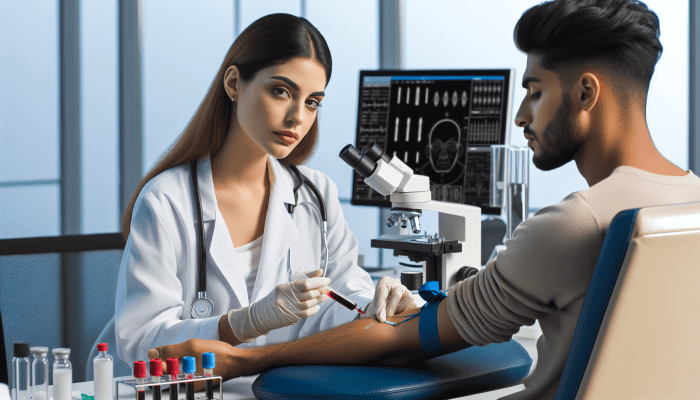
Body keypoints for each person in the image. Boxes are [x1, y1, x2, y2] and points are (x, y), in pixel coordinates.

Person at [147, 1, 700, 399]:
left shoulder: (572, 223)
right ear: (232, 85)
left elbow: (408, 342)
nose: (520, 115)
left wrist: (248, 356)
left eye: (534, 91)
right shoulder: (691, 200)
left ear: (585, 93)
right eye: (281, 92)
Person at [115, 13, 416, 368]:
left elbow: (344, 293)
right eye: (281, 91)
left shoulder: (316, 193)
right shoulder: (167, 201)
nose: (297, 117)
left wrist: (379, 298)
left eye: (312, 102)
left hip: (285, 387)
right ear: (233, 84)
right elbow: (139, 341)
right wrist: (244, 323)